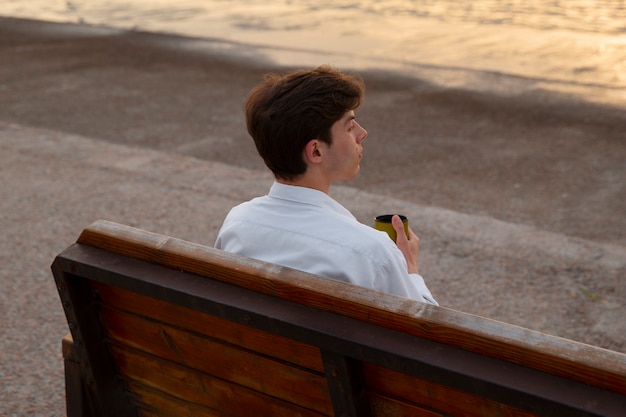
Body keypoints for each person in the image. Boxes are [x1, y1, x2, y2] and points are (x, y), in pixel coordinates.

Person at [215, 65, 437, 305]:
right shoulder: (370, 251)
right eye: (350, 126)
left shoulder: (238, 223)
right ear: (316, 150)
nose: (362, 133)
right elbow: (426, 331)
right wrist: (410, 268)